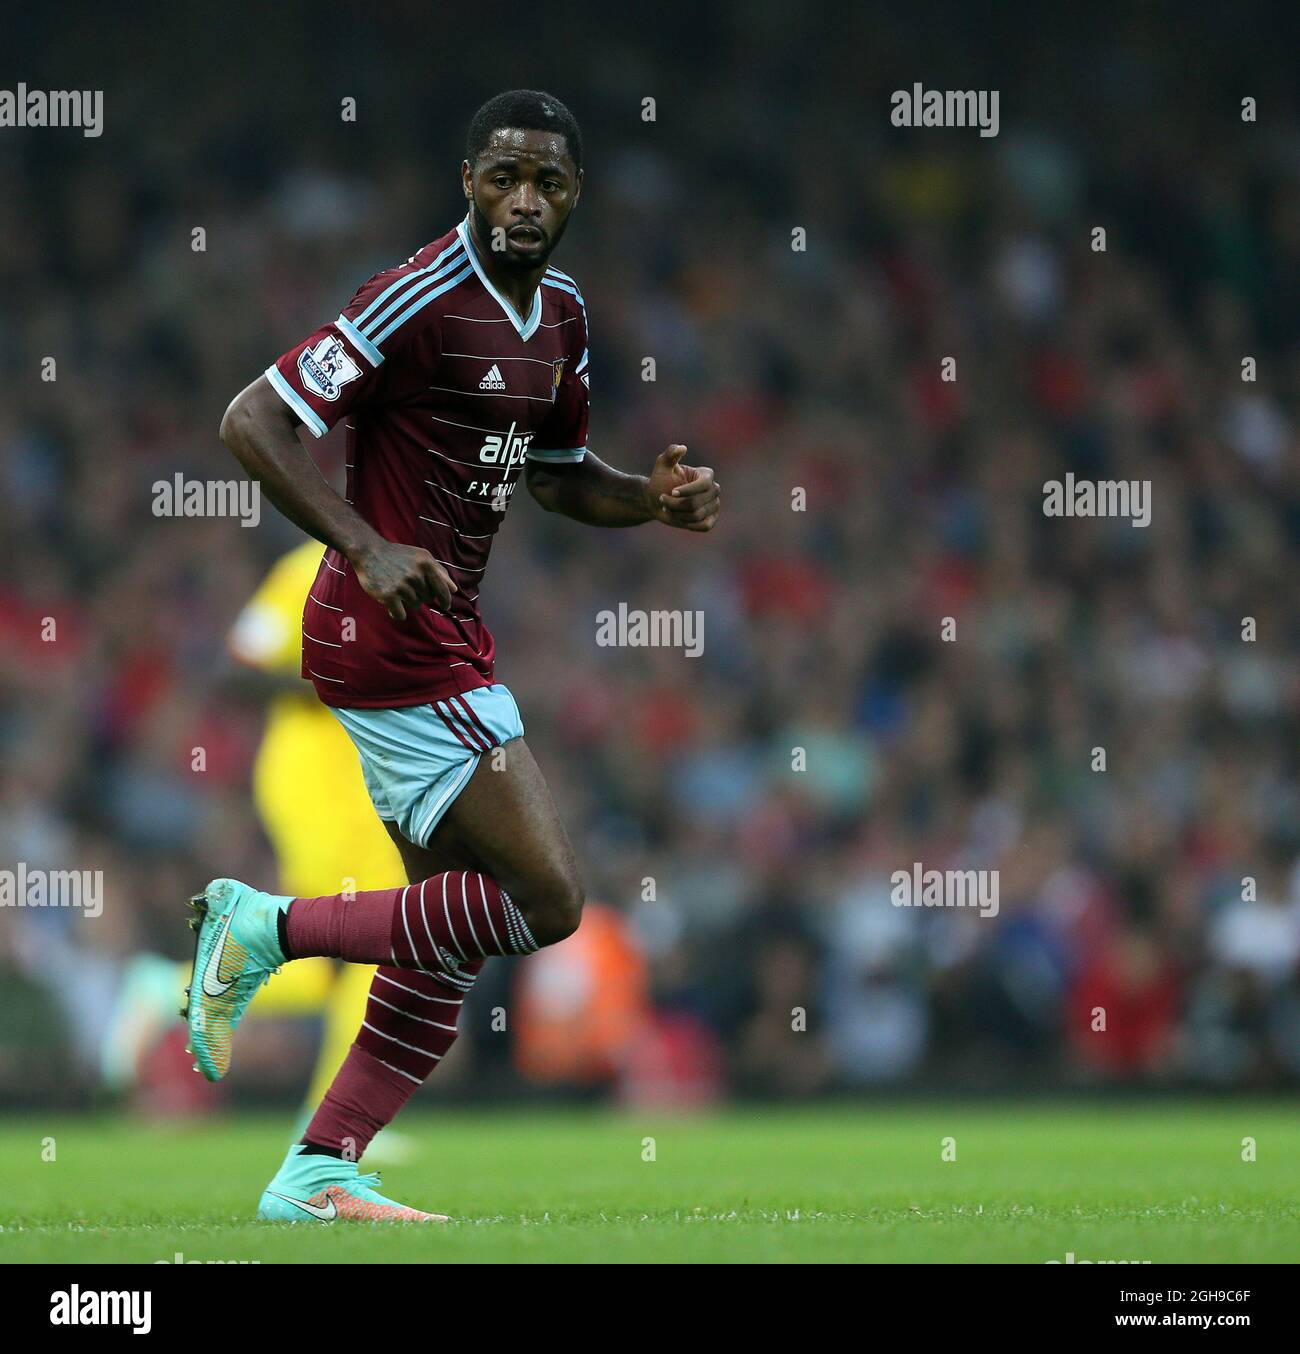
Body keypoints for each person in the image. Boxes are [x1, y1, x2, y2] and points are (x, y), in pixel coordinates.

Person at [185, 89, 721, 1222]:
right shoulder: (419, 297)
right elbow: (251, 419)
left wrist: (652, 503)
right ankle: (263, 926)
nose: (524, 201)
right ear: (466, 181)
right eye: (503, 177)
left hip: (440, 627)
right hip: (387, 634)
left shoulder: (563, 313)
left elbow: (562, 474)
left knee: (449, 930)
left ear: (576, 195)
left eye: (549, 183)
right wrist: (368, 545)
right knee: (547, 899)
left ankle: (316, 1170)